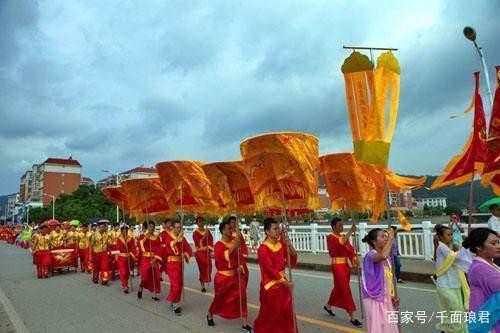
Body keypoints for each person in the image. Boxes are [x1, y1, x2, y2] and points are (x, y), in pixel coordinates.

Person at [253, 217, 298, 333]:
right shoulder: (263, 249)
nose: (278, 231)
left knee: (288, 313)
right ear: (267, 231)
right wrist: (285, 282)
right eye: (275, 229)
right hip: (271, 286)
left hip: (283, 283)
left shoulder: (281, 244)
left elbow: (291, 260)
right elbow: (269, 270)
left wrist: (289, 245)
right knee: (272, 316)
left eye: (278, 228)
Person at [207, 219, 251, 332]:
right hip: (223, 278)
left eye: (231, 228)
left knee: (242, 297)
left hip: (235, 276)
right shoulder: (218, 245)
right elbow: (222, 257)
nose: (231, 230)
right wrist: (234, 246)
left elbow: (239, 258)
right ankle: (210, 314)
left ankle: (244, 324)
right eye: (229, 229)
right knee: (220, 299)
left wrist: (241, 267)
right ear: (222, 231)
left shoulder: (234, 242)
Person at [323, 217, 362, 328]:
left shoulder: (343, 237)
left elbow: (350, 250)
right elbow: (340, 243)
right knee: (345, 289)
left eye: (342, 225)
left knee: (339, 288)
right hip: (337, 266)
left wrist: (354, 259)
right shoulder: (331, 237)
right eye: (339, 225)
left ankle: (328, 305)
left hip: (345, 266)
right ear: (334, 227)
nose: (341, 227)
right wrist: (350, 231)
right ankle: (352, 316)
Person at [433, 224, 471, 333]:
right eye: (448, 235)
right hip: (445, 285)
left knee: (455, 311)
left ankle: (448, 330)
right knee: (455, 310)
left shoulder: (452, 247)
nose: (451, 237)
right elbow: (454, 257)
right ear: (440, 237)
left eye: (451, 234)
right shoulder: (441, 247)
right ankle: (454, 330)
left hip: (455, 284)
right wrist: (465, 246)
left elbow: (463, 257)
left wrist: (464, 248)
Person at [361, 228, 399, 333]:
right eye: (382, 236)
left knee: (389, 326)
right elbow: (382, 255)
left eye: (386, 236)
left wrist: (393, 294)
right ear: (374, 241)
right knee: (379, 327)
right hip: (374, 297)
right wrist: (391, 238)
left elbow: (390, 279)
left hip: (386, 297)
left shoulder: (387, 258)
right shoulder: (370, 255)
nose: (386, 238)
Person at [462, 228, 500, 333]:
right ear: (478, 247)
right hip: (489, 325)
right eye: (493, 243)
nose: (498, 246)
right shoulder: (480, 269)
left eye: (498, 242)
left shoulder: (488, 264)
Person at [165, 220, 192, 315]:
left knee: (178, 284)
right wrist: (179, 237)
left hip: (179, 263)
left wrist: (184, 254)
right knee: (176, 284)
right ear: (172, 227)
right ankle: (176, 304)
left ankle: (173, 301)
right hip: (171, 263)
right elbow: (170, 245)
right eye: (176, 227)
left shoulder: (182, 238)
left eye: (180, 227)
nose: (178, 229)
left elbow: (188, 249)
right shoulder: (168, 236)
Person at [137, 221, 162, 301]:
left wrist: (155, 258)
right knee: (145, 276)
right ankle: (141, 287)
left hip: (153, 259)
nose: (152, 228)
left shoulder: (156, 237)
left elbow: (159, 249)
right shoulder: (142, 236)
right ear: (148, 227)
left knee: (155, 277)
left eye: (153, 226)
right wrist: (145, 238)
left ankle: (154, 295)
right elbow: (140, 246)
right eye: (150, 226)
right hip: (145, 258)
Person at [192, 216, 213, 292]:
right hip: (200, 253)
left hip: (206, 252)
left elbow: (211, 241)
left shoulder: (208, 231)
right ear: (197, 223)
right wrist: (204, 236)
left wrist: (209, 247)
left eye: (202, 221)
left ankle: (206, 279)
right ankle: (202, 285)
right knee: (202, 268)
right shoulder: (195, 233)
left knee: (209, 266)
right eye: (199, 221)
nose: (201, 223)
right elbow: (199, 243)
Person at [116, 224, 137, 294]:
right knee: (123, 272)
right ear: (121, 231)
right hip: (121, 257)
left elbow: (133, 248)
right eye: (124, 230)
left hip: (129, 257)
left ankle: (126, 283)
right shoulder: (119, 238)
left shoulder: (130, 238)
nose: (125, 231)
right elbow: (118, 248)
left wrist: (132, 254)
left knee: (127, 272)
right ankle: (125, 285)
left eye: (126, 230)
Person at [89, 221, 111, 285]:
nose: (103, 228)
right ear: (99, 227)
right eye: (101, 227)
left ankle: (104, 279)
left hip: (104, 253)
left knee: (105, 266)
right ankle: (95, 278)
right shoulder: (94, 234)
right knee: (96, 267)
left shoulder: (106, 235)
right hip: (96, 253)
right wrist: (90, 255)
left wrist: (109, 251)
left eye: (104, 227)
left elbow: (107, 244)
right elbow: (91, 246)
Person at [229, 216, 249, 287]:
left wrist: (244, 253)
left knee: (245, 272)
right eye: (232, 222)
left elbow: (243, 244)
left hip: (239, 255)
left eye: (235, 222)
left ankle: (242, 288)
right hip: (231, 256)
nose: (233, 224)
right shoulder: (228, 234)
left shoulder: (239, 233)